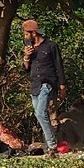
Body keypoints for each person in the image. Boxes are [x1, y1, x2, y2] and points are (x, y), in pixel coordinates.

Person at [21, 18, 66, 157]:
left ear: (33, 33)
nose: (25, 37)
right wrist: (26, 57)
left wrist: (62, 85)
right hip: (34, 84)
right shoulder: (29, 48)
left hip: (47, 83)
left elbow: (59, 66)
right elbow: (25, 69)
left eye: (26, 34)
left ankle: (52, 145)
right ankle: (50, 143)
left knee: (40, 113)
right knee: (40, 114)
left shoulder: (51, 46)